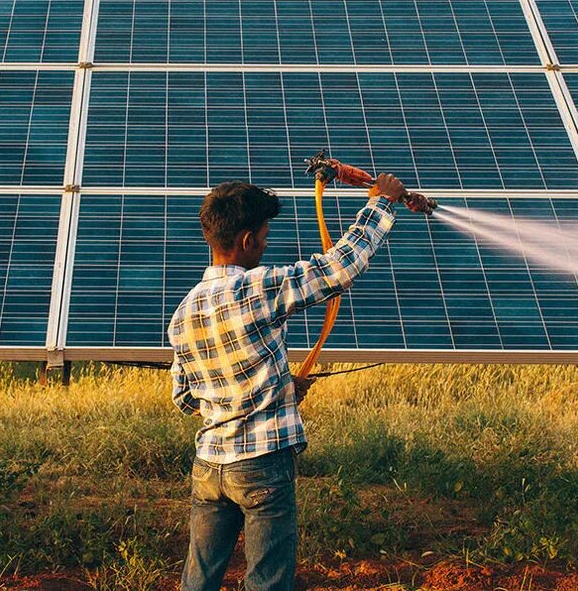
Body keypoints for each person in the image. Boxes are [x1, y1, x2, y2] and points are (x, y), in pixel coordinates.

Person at [168, 174, 432, 590]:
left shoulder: (184, 310)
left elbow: (185, 397)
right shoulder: (257, 286)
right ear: (248, 240)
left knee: (198, 581)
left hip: (209, 467)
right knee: (267, 580)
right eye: (265, 237)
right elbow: (340, 268)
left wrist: (273, 384)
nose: (267, 245)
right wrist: (381, 202)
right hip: (261, 465)